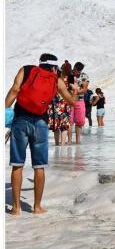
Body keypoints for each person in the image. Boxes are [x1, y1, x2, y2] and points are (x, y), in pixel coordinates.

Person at [5, 53, 75, 215]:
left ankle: (16, 208)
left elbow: (15, 90)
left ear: (40, 63)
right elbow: (71, 101)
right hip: (41, 124)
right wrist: (75, 91)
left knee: (17, 165)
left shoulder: (26, 70)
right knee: (39, 167)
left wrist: (6, 110)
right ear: (53, 67)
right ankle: (37, 207)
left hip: (20, 121)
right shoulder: (56, 80)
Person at [48, 70, 73, 146]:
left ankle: (57, 144)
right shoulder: (67, 80)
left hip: (55, 105)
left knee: (56, 126)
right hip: (65, 105)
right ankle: (62, 145)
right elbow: (71, 91)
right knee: (64, 126)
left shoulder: (52, 80)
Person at [71, 62, 90, 144]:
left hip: (80, 99)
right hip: (69, 100)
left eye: (79, 71)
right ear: (74, 68)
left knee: (80, 121)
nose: (77, 72)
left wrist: (76, 91)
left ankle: (78, 141)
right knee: (69, 121)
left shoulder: (84, 76)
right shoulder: (68, 74)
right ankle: (69, 140)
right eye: (76, 70)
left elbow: (85, 89)